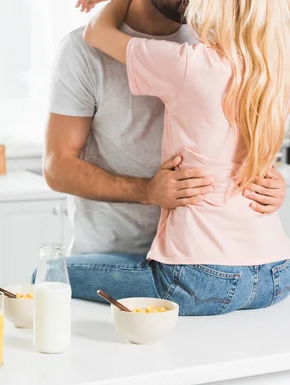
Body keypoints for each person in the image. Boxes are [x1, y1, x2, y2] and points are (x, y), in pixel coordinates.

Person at [42, 0, 290, 315]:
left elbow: (240, 150)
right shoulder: (81, 52)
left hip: (191, 268)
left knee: (45, 274)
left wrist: (268, 182)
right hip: (259, 267)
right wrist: (146, 191)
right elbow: (57, 168)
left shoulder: (203, 51)